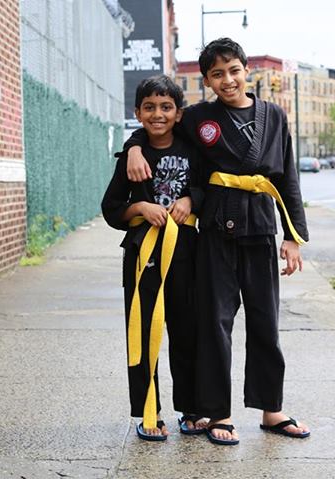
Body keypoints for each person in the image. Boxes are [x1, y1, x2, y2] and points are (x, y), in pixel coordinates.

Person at [124, 38, 311, 445]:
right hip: (215, 232)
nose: (228, 80)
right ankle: (218, 413)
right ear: (207, 81)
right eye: (217, 74)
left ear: (247, 71)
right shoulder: (198, 117)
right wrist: (134, 148)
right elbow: (158, 125)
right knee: (214, 324)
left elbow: (288, 178)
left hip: (259, 228)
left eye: (234, 70)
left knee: (265, 322)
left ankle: (271, 409)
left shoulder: (274, 116)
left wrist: (293, 236)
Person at [101, 75, 207, 441]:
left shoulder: (193, 150)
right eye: (149, 107)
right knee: (143, 330)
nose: (157, 114)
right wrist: (141, 207)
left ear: (179, 113)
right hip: (142, 255)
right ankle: (149, 410)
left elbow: (208, 189)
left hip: (186, 253)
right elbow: (111, 207)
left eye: (166, 107)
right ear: (137, 113)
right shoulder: (133, 156)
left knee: (187, 331)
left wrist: (191, 200)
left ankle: (191, 409)